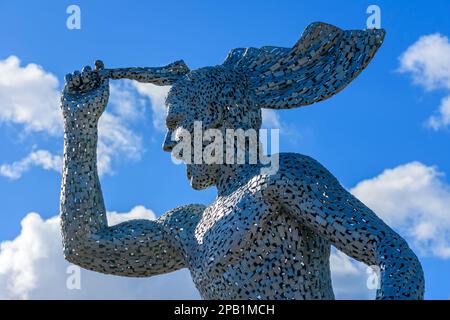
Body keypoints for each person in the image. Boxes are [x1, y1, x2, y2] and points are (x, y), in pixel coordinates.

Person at [60, 22, 424, 299]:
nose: (168, 144)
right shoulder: (189, 228)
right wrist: (80, 125)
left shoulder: (280, 178)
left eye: (176, 125)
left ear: (217, 118)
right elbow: (85, 245)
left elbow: (393, 257)